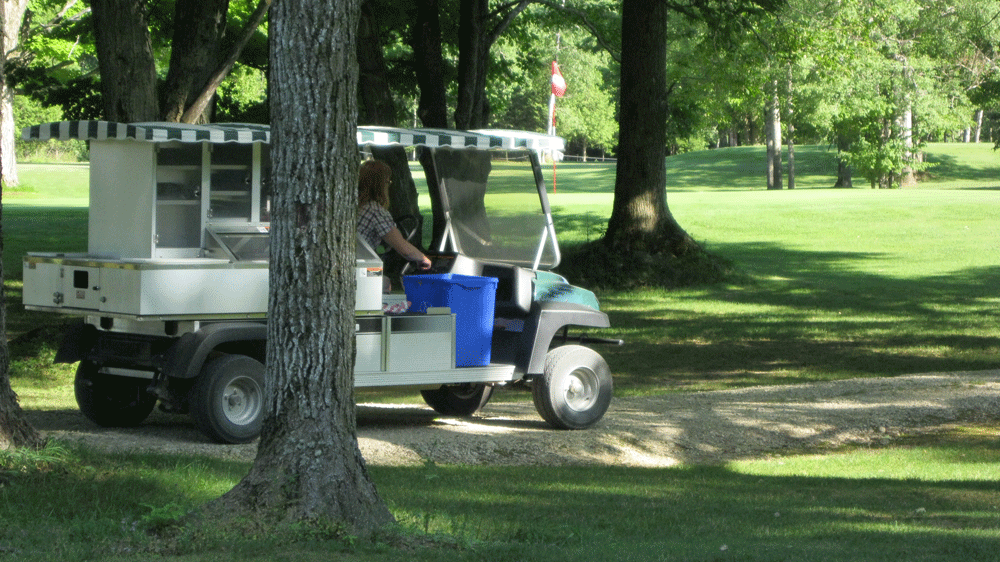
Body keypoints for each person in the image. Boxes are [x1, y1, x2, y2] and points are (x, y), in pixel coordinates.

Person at [357, 159, 432, 274]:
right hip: (359, 266)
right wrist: (423, 258)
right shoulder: (376, 211)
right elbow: (405, 250)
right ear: (381, 185)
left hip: (350, 262)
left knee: (381, 275)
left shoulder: (354, 205)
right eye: (388, 182)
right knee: (385, 283)